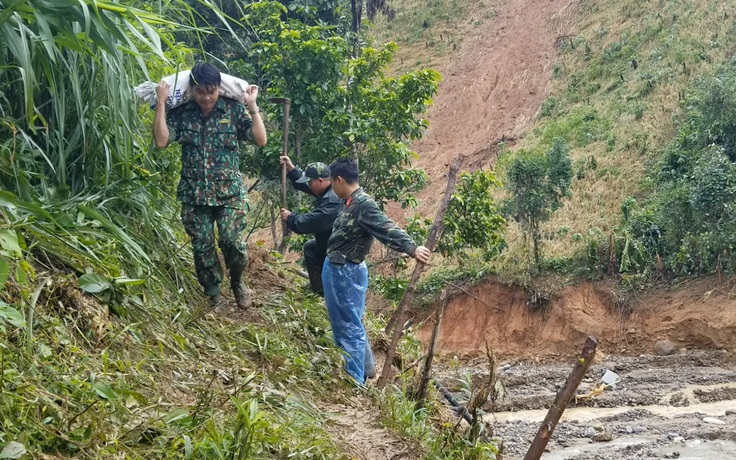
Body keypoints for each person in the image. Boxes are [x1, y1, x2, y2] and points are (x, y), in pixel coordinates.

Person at [153, 62, 267, 309]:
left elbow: (260, 139)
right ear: (191, 90)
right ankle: (213, 294)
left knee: (231, 241)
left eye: (212, 91)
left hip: (230, 194)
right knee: (202, 246)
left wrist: (252, 106)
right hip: (195, 195)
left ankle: (237, 282)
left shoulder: (232, 110)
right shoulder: (182, 113)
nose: (206, 97)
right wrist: (161, 103)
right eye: (200, 91)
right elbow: (161, 140)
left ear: (219, 89)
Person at [323, 158, 431, 384]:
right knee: (352, 321)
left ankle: (354, 380)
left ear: (340, 180)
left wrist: (412, 248)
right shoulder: (349, 201)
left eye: (332, 182)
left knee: (347, 326)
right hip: (341, 269)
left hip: (345, 272)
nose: (332, 187)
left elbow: (385, 227)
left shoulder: (363, 203)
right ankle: (367, 368)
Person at [279, 156, 342, 296]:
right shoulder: (326, 188)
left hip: (339, 250)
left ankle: (327, 294)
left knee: (314, 249)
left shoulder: (332, 200)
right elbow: (306, 185)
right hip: (328, 243)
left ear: (320, 181)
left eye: (310, 182)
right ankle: (319, 290)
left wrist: (291, 218)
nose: (308, 185)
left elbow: (309, 223)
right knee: (311, 247)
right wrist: (292, 170)